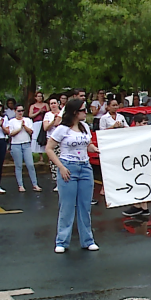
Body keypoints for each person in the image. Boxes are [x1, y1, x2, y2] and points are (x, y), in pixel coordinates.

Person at [45, 99, 99, 253]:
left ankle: (88, 240)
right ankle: (62, 241)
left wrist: (94, 149)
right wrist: (61, 167)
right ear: (75, 112)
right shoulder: (62, 129)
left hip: (85, 167)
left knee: (85, 206)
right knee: (67, 206)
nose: (86, 112)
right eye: (83, 110)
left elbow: (87, 144)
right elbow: (49, 148)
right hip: (68, 166)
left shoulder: (84, 127)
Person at [121, 115, 151, 217]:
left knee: (141, 182)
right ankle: (141, 207)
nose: (146, 125)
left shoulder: (148, 133)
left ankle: (140, 206)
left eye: (147, 123)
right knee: (136, 182)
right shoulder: (131, 133)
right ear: (137, 123)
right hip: (135, 161)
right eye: (144, 123)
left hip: (144, 161)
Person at [9, 105, 41, 192]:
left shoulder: (28, 120)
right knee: (18, 165)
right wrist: (20, 128)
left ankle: (35, 184)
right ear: (15, 111)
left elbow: (31, 131)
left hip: (26, 144)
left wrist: (24, 126)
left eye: (22, 111)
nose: (20, 113)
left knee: (30, 165)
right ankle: (20, 185)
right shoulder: (12, 121)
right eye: (18, 111)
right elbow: (11, 133)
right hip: (16, 144)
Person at [43, 98, 63, 189]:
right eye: (51, 103)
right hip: (52, 140)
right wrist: (53, 121)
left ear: (58, 104)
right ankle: (57, 182)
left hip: (62, 140)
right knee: (54, 162)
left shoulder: (62, 113)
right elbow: (45, 128)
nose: (53, 105)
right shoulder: (47, 115)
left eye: (54, 103)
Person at [29, 92, 49, 163]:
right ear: (35, 97)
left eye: (41, 96)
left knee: (44, 137)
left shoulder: (46, 105)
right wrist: (39, 112)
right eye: (38, 96)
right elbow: (30, 115)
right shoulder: (33, 106)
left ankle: (48, 155)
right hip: (36, 123)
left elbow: (48, 113)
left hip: (44, 122)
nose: (40, 98)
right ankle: (40, 157)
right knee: (37, 138)